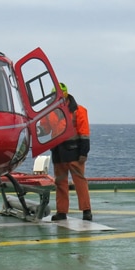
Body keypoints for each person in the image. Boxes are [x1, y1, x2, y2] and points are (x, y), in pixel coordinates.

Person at [49, 83, 92, 221]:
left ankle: (86, 210)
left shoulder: (79, 110)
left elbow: (84, 133)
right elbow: (44, 128)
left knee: (79, 181)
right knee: (60, 182)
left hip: (74, 151)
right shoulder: (50, 111)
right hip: (58, 152)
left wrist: (83, 153)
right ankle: (61, 212)